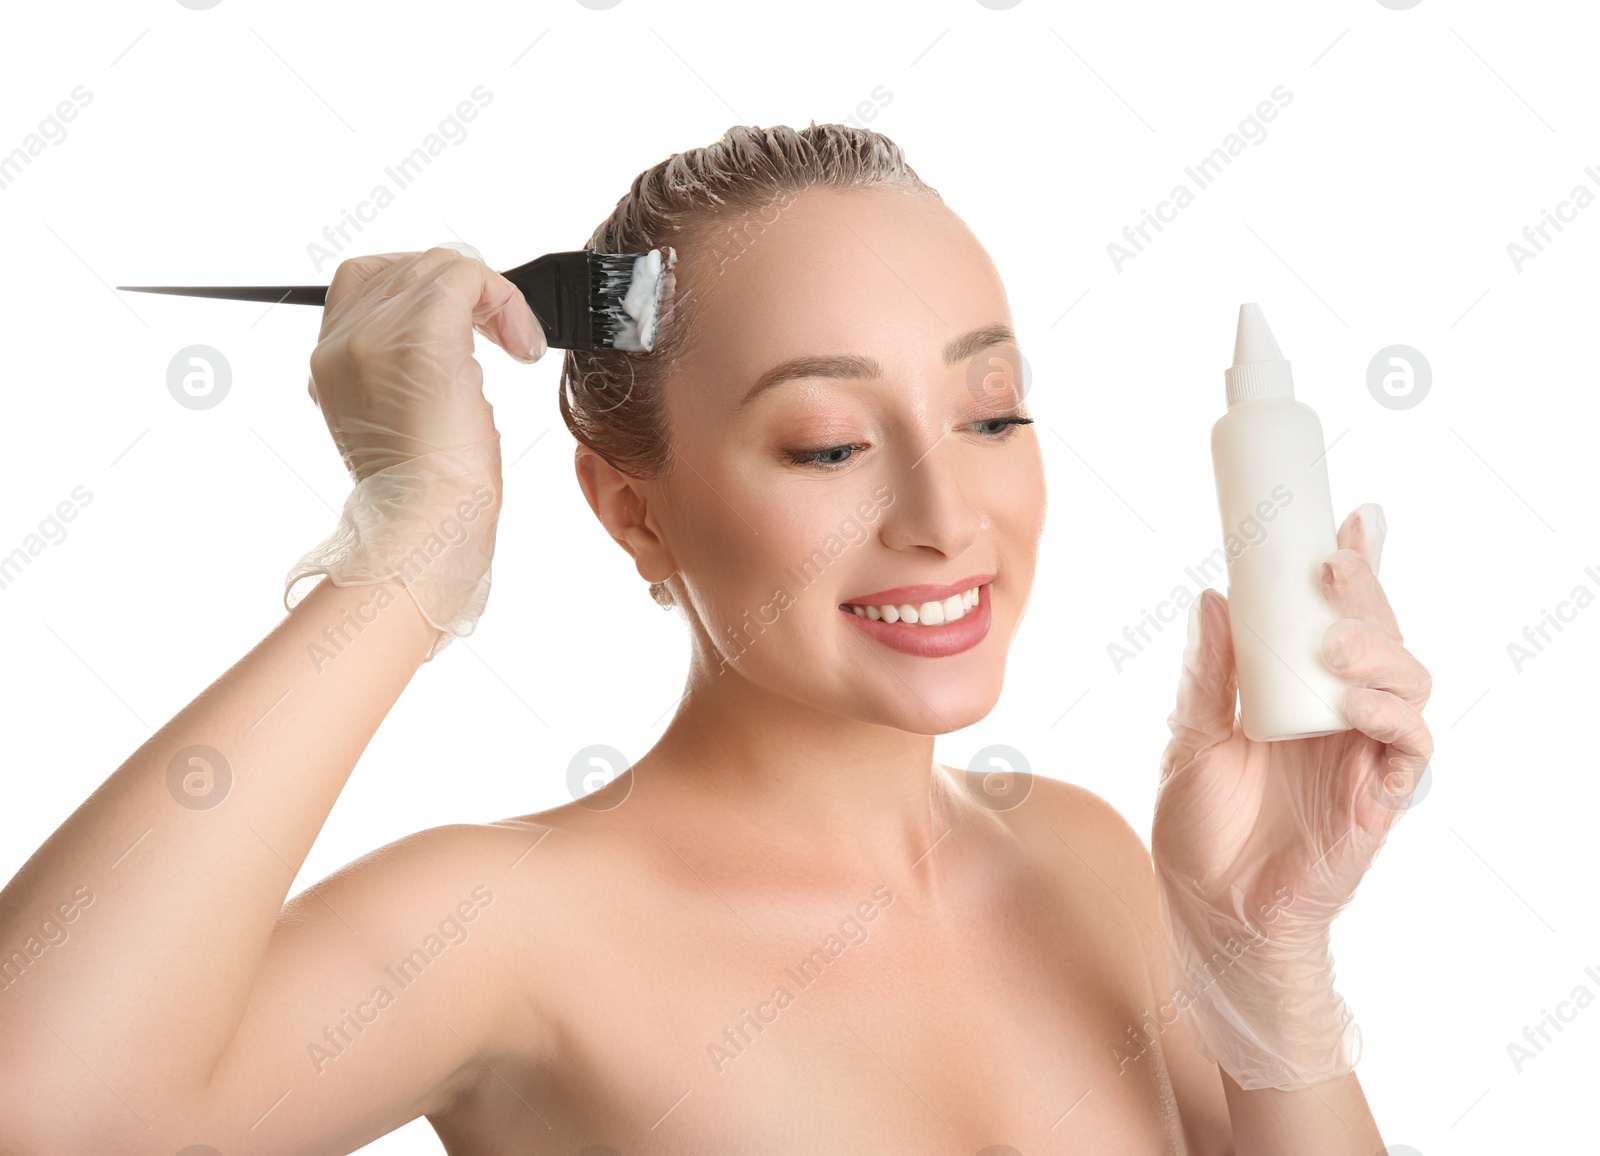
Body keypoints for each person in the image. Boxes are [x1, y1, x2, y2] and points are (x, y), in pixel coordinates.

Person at [0, 123, 1432, 1154]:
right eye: (825, 444)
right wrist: (407, 553)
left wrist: (1269, 961)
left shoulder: (1089, 859)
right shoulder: (502, 932)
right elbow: (44, 1111)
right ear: (634, 513)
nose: (947, 516)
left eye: (991, 414)